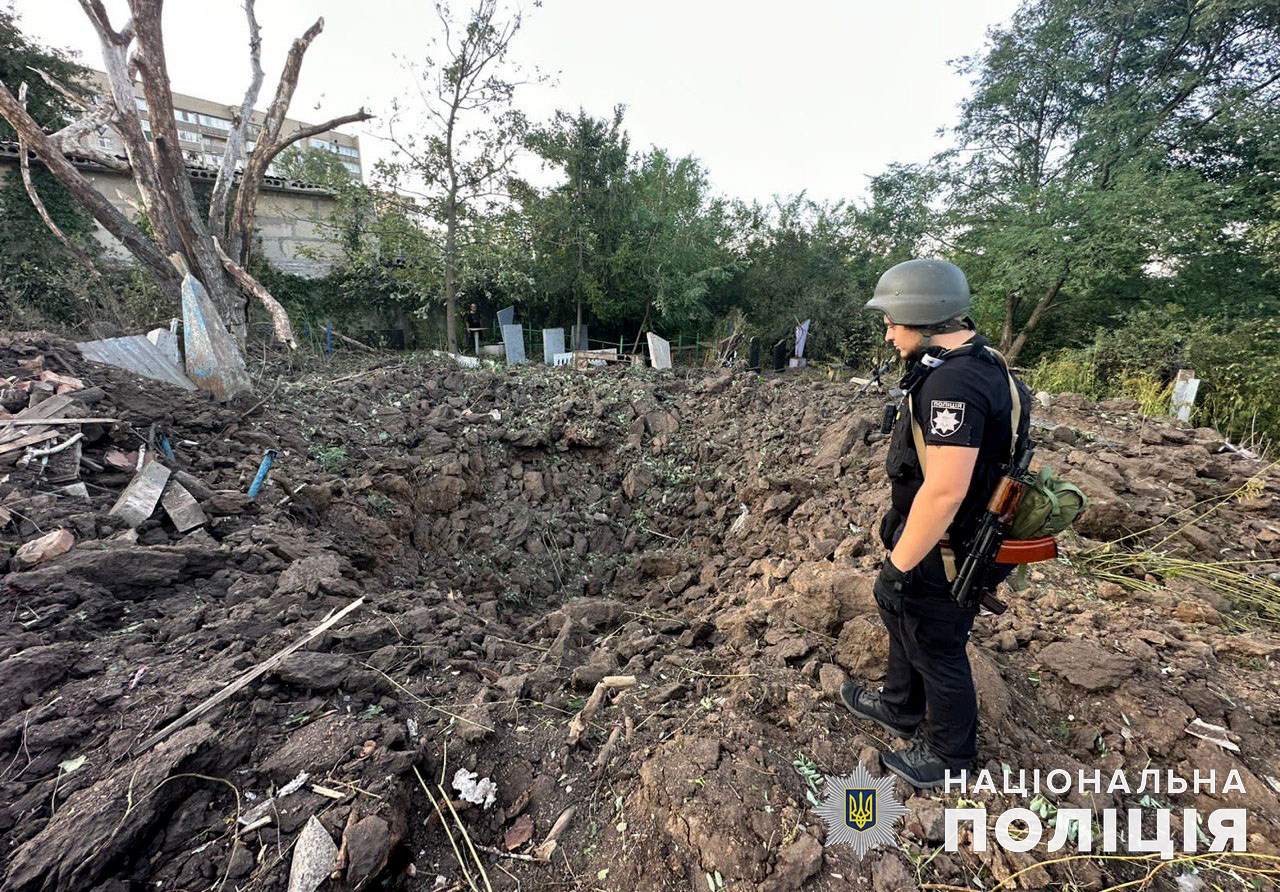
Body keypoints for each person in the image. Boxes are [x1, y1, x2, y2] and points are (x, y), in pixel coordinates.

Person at [841, 258, 1029, 789]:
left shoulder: (955, 385)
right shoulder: (978, 362)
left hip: (948, 544)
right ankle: (901, 706)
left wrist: (900, 564)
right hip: (938, 535)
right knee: (903, 614)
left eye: (891, 320)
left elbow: (945, 489)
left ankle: (950, 755)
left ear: (921, 316)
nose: (887, 331)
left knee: (935, 639)